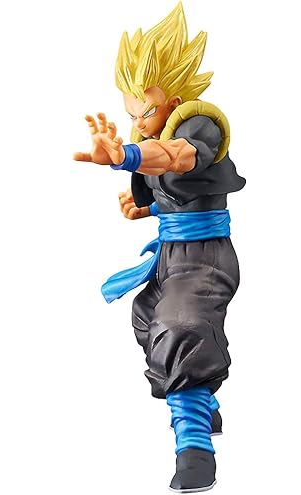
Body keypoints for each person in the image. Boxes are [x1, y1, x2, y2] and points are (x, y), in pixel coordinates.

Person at [73, 3, 245, 492]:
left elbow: (177, 158)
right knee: (149, 321)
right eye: (132, 113)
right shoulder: (153, 131)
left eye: (146, 111)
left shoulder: (200, 125)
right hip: (170, 256)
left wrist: (126, 155)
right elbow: (174, 189)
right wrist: (145, 209)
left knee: (181, 327)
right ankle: (201, 403)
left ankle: (195, 448)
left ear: (175, 99)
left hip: (205, 256)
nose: (139, 121)